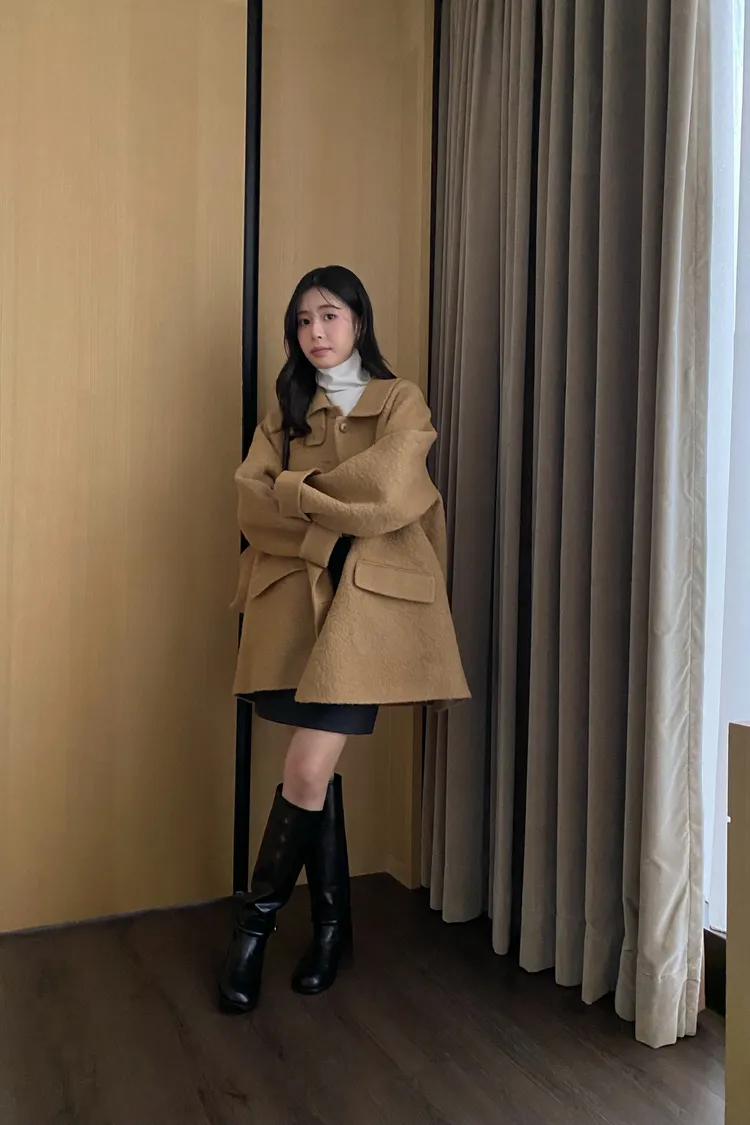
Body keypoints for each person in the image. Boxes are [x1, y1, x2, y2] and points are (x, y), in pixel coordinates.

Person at [218, 264, 469, 1015]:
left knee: (305, 766)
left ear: (359, 320)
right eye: (303, 320)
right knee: (316, 777)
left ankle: (252, 933)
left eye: (329, 315)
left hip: (366, 613)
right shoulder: (287, 406)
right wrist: (318, 518)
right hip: (293, 611)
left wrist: (293, 492)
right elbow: (248, 503)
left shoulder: (400, 400)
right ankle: (333, 931)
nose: (315, 332)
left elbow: (387, 494)